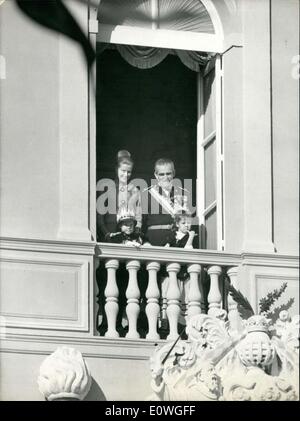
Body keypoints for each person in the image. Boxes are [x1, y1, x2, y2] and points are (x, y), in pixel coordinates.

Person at [142, 158, 189, 247]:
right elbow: (141, 222)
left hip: (177, 242)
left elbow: (188, 221)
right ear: (156, 175)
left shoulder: (183, 193)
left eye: (168, 174)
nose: (165, 177)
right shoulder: (147, 194)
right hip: (154, 242)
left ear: (174, 173)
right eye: (161, 174)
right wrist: (145, 241)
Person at [97, 150, 141, 242]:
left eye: (129, 172)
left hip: (129, 233)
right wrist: (106, 233)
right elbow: (100, 215)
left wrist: (136, 233)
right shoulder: (106, 187)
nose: (126, 175)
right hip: (110, 230)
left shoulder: (135, 190)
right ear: (116, 169)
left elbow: (138, 215)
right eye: (123, 171)